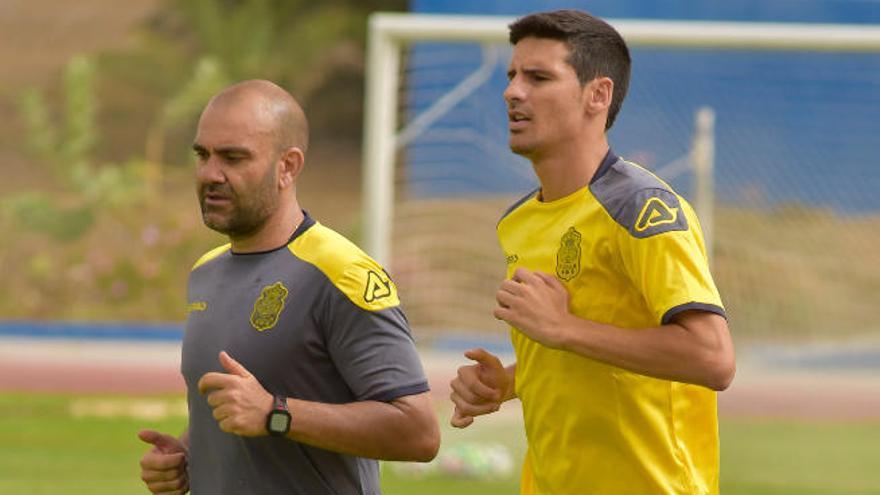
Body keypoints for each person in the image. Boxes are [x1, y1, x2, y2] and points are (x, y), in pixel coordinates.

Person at [449, 10, 735, 495]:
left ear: (597, 95)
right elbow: (578, 347)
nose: (513, 92)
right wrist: (509, 383)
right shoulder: (517, 221)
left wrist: (565, 328)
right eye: (512, 76)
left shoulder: (641, 208)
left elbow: (713, 357)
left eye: (538, 77)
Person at [137, 79, 440, 495]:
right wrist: (188, 457)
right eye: (202, 155)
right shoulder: (205, 273)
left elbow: (418, 431)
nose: (210, 174)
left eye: (233, 157)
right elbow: (241, 410)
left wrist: (276, 414)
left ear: (288, 166)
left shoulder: (340, 273)